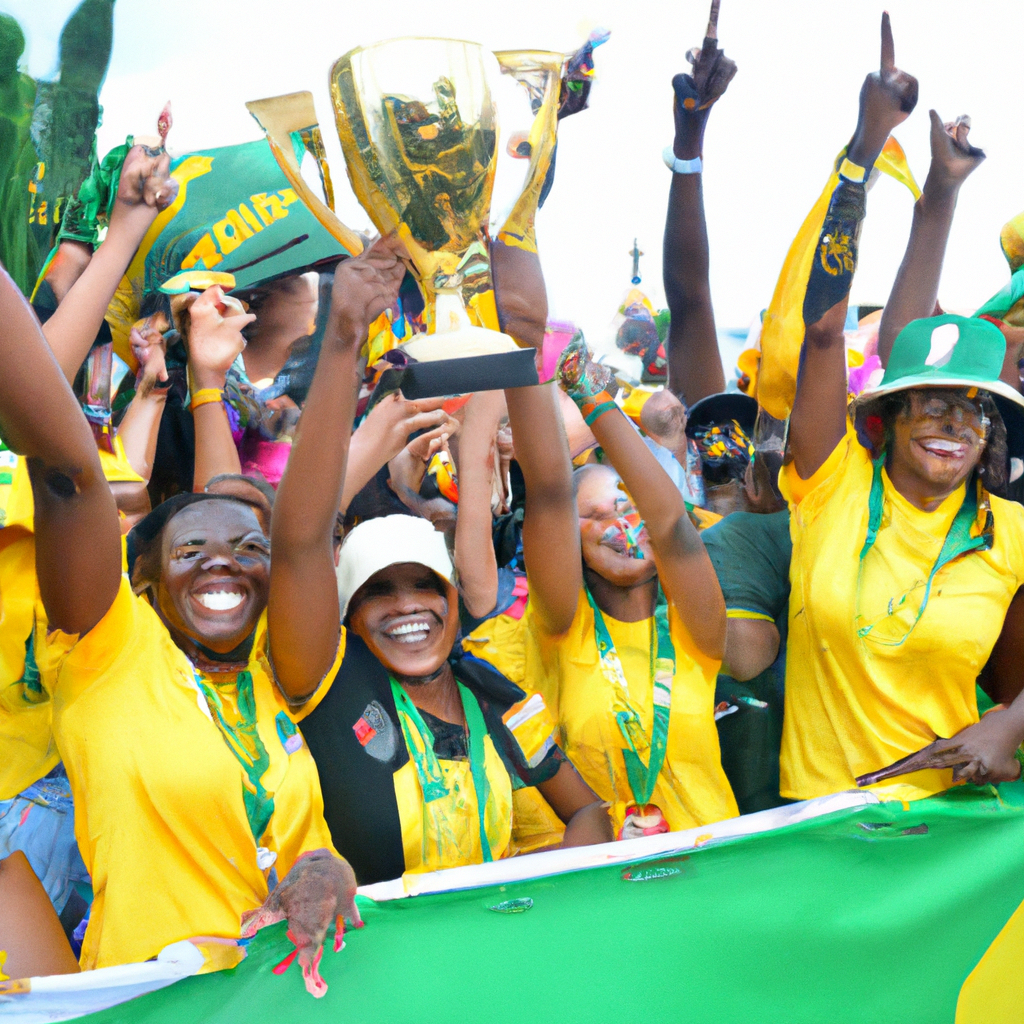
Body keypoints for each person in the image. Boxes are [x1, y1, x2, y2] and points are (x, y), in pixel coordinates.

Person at [0, 241, 403, 970]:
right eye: (190, 552)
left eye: (250, 550)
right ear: (145, 581)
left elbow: (304, 538)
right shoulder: (108, 654)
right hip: (152, 1006)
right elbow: (68, 476)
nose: (225, 560)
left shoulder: (275, 671)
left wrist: (325, 867)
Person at [781, 15, 1024, 802]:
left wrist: (1010, 724)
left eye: (971, 410)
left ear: (992, 431)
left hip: (951, 847)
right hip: (821, 833)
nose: (952, 423)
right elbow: (825, 330)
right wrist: (865, 155)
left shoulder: (1012, 535)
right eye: (931, 404)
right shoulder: (830, 484)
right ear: (888, 414)